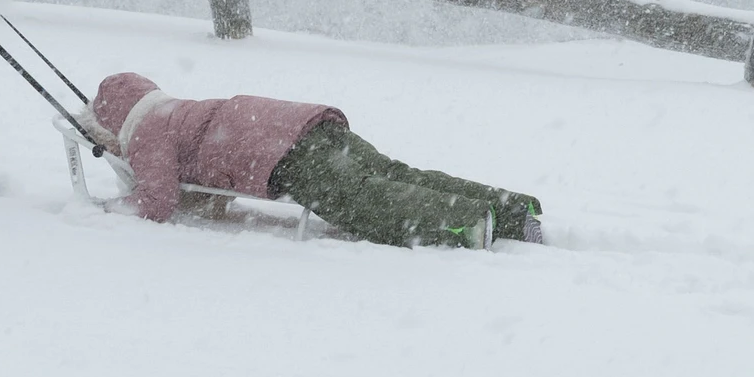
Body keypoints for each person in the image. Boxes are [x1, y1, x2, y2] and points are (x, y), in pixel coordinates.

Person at [90, 72, 543, 248]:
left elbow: (157, 199)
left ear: (116, 121)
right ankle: (512, 208)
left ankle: (467, 221)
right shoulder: (181, 109)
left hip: (283, 158)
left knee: (363, 202)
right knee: (394, 173)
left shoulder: (146, 133)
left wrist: (109, 209)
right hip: (308, 124)